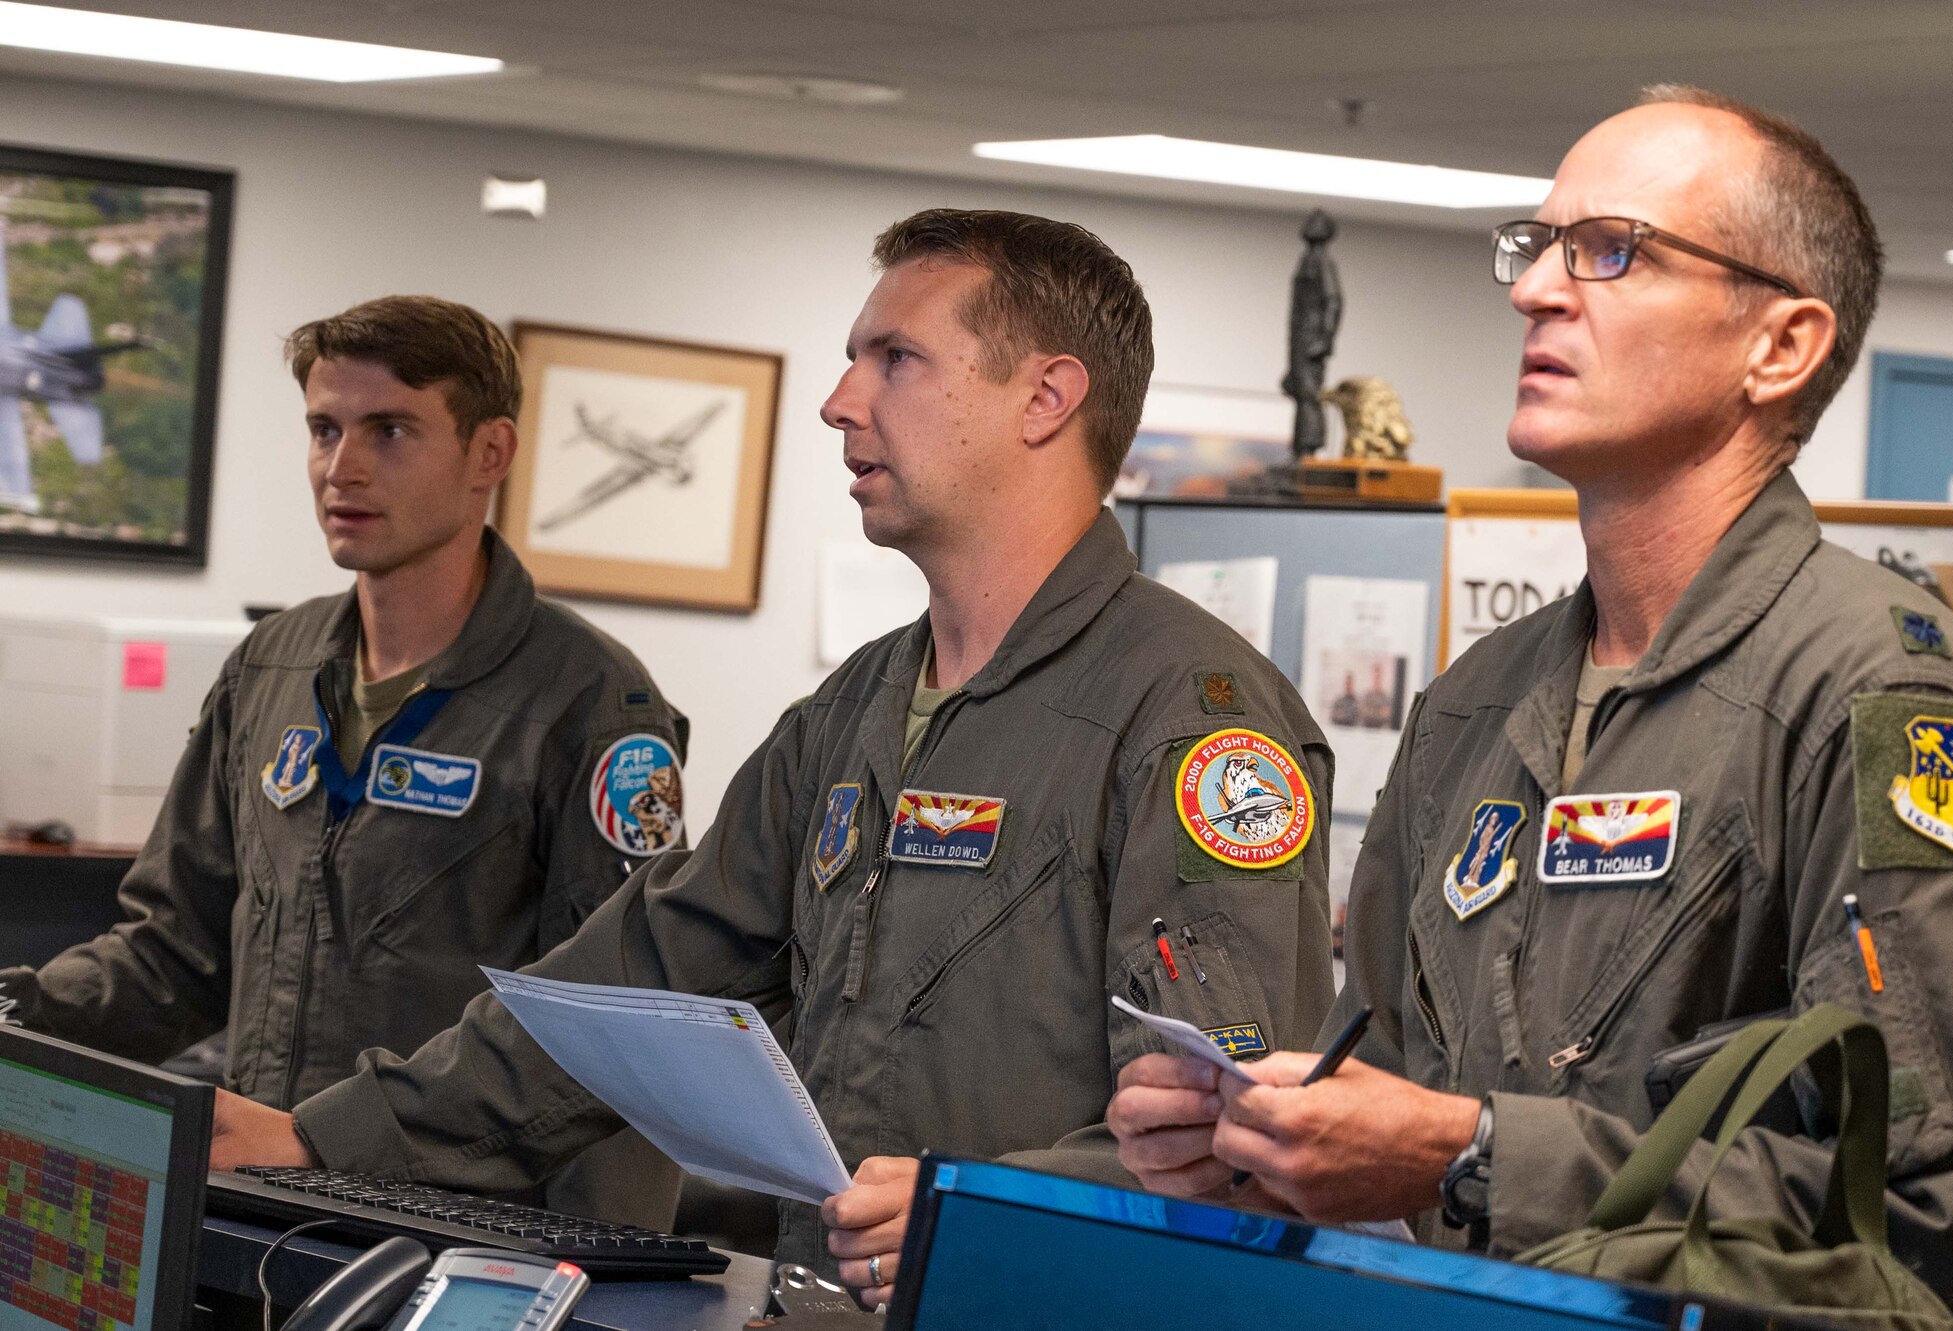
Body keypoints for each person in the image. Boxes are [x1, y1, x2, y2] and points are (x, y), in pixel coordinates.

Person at [207, 210, 1338, 1306]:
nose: (840, 401)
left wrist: (985, 1206)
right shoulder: (853, 710)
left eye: (894, 359)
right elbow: (637, 984)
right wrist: (324, 1137)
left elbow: (1235, 1120)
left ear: (1044, 398)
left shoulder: (1192, 720)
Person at [1108, 87, 1953, 1317]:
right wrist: (1266, 1150)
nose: (1533, 290)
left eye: (1611, 251)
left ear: (1778, 346)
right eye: (1535, 249)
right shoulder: (1475, 702)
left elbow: (1908, 1227)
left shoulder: (1876, 690)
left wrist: (1467, 1151)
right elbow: (1390, 1098)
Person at [0, 295, 690, 1217]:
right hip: (259, 1201)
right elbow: (176, 950)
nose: (342, 467)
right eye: (324, 430)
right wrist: (14, 1015)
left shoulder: (591, 699)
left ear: (491, 452)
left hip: (462, 1230)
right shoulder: (270, 668)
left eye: (390, 430)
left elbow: (609, 1017)